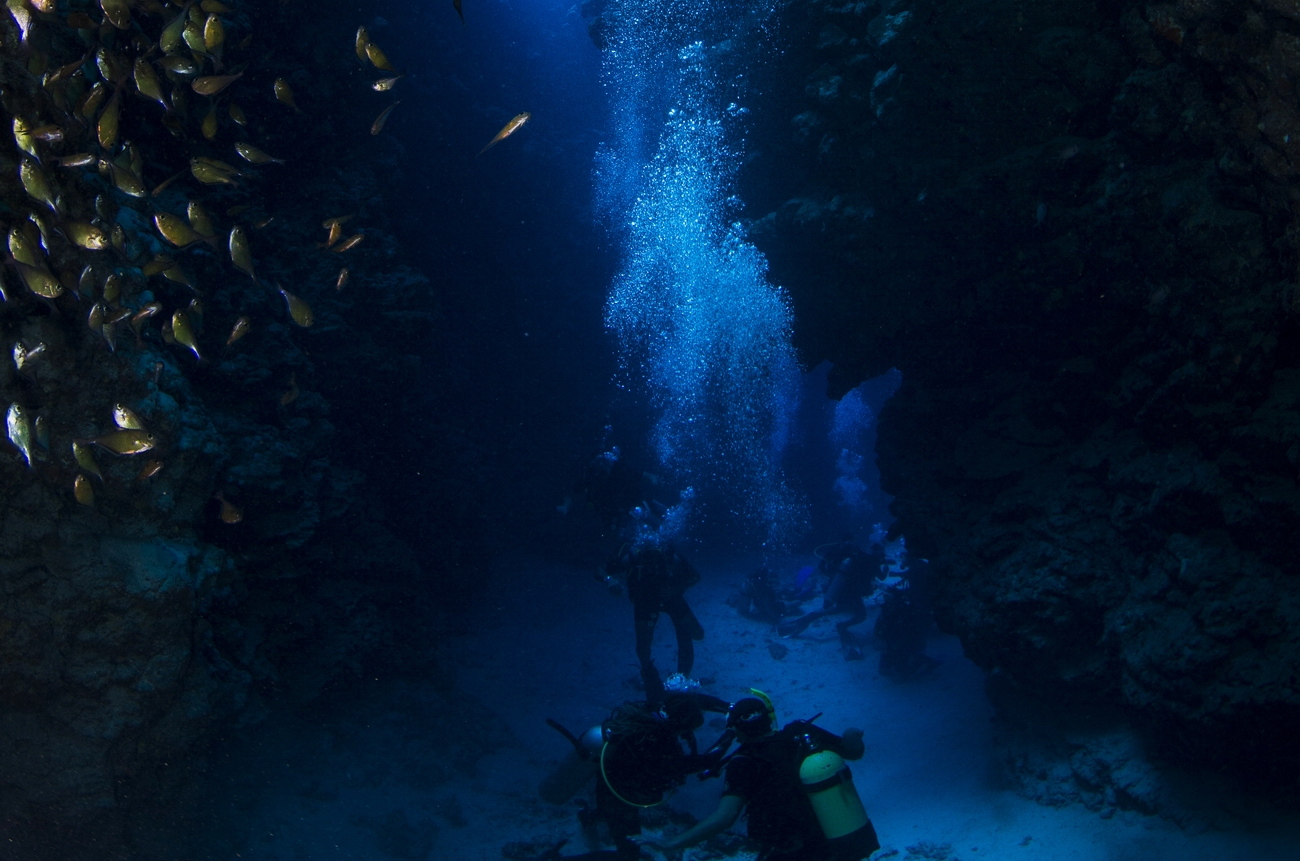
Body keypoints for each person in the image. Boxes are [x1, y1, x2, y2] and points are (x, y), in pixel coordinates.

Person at [645, 694, 879, 861]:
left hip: (794, 850)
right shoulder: (803, 734)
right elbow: (854, 752)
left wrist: (672, 842)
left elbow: (724, 818)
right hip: (838, 840)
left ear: (737, 729)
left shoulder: (744, 762)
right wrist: (851, 733)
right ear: (768, 719)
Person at [534, 692, 733, 861]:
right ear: (679, 724)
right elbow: (703, 762)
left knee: (609, 811)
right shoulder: (660, 746)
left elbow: (693, 699)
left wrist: (729, 708)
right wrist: (732, 733)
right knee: (629, 856)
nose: (687, 733)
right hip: (621, 797)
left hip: (610, 783)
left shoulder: (652, 710)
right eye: (688, 728)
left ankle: (588, 816)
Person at [600, 541, 704, 704]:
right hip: (645, 600)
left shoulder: (669, 555)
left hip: (669, 598)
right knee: (644, 642)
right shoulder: (632, 557)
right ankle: (650, 676)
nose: (650, 561)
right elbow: (601, 570)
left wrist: (675, 590)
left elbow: (694, 576)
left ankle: (681, 680)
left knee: (696, 633)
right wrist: (609, 580)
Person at [778, 539, 885, 660]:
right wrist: (884, 569)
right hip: (852, 594)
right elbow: (881, 576)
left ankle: (811, 617)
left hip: (843, 591)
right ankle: (842, 626)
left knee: (838, 608)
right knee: (861, 615)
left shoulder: (861, 558)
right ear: (878, 552)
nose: (883, 556)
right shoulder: (872, 562)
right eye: (882, 553)